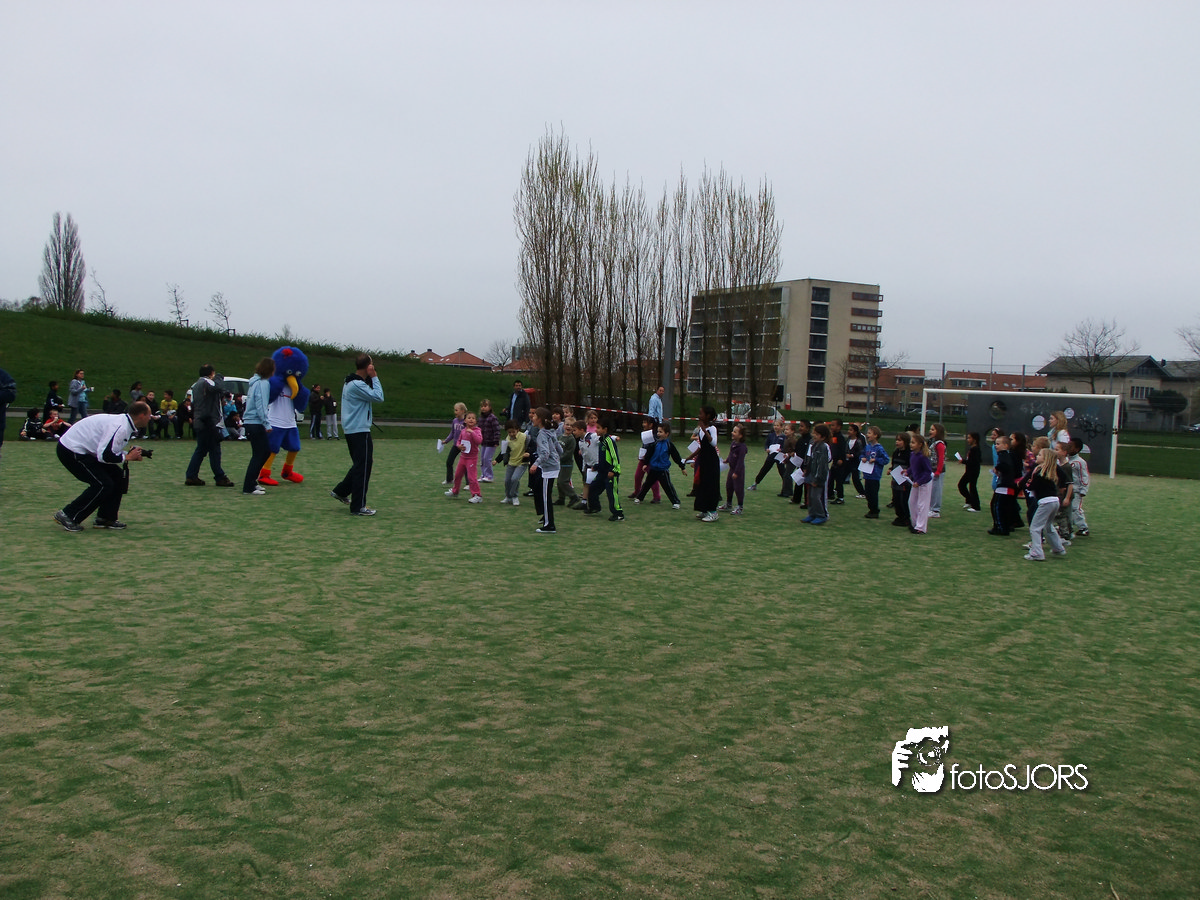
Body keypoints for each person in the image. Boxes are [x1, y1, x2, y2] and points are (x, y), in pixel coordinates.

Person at [53, 400, 152, 532]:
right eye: (149, 415)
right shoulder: (121, 427)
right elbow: (104, 456)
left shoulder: (124, 424)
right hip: (71, 450)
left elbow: (108, 451)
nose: (151, 418)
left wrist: (128, 454)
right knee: (103, 484)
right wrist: (127, 457)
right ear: (141, 415)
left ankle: (106, 518)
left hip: (83, 450)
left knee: (117, 476)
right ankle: (68, 515)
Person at [331, 353, 384, 516]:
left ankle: (341, 491)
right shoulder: (357, 384)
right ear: (368, 366)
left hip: (353, 429)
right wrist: (374, 377)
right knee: (363, 467)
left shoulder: (351, 382)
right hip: (359, 430)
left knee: (360, 464)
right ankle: (358, 506)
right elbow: (379, 396)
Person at [184, 363, 234, 487]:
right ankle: (220, 477)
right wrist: (219, 377)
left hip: (200, 421)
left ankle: (191, 475)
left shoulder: (196, 385)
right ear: (211, 373)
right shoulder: (208, 382)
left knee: (201, 450)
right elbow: (218, 388)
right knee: (215, 450)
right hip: (210, 422)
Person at [1023, 448, 1068, 561]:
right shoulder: (1049, 472)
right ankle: (1058, 548)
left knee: (1035, 528)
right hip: (1055, 501)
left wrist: (1027, 484)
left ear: (1045, 459)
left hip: (1046, 502)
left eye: (1039, 455)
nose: (1037, 456)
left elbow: (1032, 486)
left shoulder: (1039, 472)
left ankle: (1037, 553)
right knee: (1048, 526)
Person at [241, 357, 275, 495]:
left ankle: (252, 482)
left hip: (251, 422)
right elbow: (261, 405)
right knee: (260, 454)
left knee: (264, 452)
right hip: (255, 422)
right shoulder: (263, 383)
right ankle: (248, 487)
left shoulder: (255, 382)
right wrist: (266, 423)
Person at [633, 423, 685, 508]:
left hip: (663, 470)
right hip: (653, 469)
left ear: (667, 434)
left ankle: (675, 502)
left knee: (668, 486)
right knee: (647, 484)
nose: (658, 434)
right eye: (658, 431)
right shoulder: (654, 444)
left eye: (661, 432)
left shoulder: (669, 445)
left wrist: (682, 467)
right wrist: (645, 464)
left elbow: (676, 456)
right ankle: (639, 498)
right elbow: (648, 454)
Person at [529, 406, 562, 532]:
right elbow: (558, 447)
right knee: (541, 491)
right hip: (552, 466)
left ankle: (549, 525)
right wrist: (558, 456)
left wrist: (535, 464)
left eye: (535, 416)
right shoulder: (550, 431)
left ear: (540, 419)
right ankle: (546, 518)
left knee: (546, 497)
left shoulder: (542, 434)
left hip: (549, 468)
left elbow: (545, 453)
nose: (533, 417)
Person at [689, 406, 721, 522]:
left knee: (711, 485)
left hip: (711, 462)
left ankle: (713, 512)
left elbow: (713, 443)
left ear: (708, 416)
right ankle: (704, 509)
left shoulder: (712, 428)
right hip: (703, 460)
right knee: (702, 485)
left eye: (701, 413)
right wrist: (690, 457)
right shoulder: (701, 430)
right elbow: (700, 446)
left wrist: (704, 429)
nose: (699, 416)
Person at [446, 411, 484, 502]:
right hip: (463, 457)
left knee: (471, 477)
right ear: (465, 420)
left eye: (473, 418)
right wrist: (459, 446)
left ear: (476, 421)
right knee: (458, 475)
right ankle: (455, 491)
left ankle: (477, 495)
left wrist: (472, 432)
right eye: (469, 418)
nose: (471, 420)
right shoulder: (463, 431)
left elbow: (479, 441)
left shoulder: (477, 430)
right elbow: (459, 441)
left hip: (472, 458)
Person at [987, 434, 1019, 536]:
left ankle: (1000, 527)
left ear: (1005, 445)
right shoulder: (1007, 455)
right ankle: (1006, 526)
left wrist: (997, 468)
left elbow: (1006, 466)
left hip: (1004, 485)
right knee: (1004, 506)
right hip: (1007, 485)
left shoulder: (1003, 455)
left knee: (997, 506)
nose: (996, 446)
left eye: (998, 444)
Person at [594, 414, 623, 522]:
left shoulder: (609, 441)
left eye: (598, 428)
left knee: (612, 493)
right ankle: (594, 507)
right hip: (603, 472)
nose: (596, 430)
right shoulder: (601, 441)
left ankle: (618, 513)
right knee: (594, 488)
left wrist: (613, 470)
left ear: (605, 429)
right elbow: (603, 458)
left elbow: (614, 457)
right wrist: (597, 466)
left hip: (611, 473)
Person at [802, 424, 831, 525]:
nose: (814, 435)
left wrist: (817, 479)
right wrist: (807, 471)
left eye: (817, 434)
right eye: (814, 433)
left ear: (823, 437)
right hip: (811, 474)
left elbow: (822, 465)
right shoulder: (814, 445)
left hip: (819, 476)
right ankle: (812, 514)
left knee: (817, 496)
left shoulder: (823, 447)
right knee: (810, 496)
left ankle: (821, 515)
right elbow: (811, 460)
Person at [749, 418, 787, 493]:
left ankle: (786, 487)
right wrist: (767, 449)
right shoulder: (771, 435)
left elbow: (785, 447)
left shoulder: (784, 437)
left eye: (778, 425)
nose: (776, 427)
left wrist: (781, 450)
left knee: (782, 471)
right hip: (771, 455)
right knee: (764, 469)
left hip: (779, 456)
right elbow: (766, 444)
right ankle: (755, 483)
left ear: (781, 427)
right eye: (775, 425)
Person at [906, 433, 934, 534]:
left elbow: (928, 472)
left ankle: (921, 528)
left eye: (913, 443)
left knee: (922, 505)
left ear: (920, 445)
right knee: (911, 502)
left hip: (924, 483)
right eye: (911, 442)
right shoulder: (913, 454)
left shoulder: (923, 457)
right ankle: (915, 523)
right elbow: (913, 467)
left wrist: (920, 482)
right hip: (916, 482)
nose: (911, 444)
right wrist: (907, 472)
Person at [860, 425, 890, 519]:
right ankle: (871, 509)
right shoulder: (867, 447)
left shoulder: (879, 448)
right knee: (868, 493)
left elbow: (886, 460)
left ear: (875, 435)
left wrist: (876, 460)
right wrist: (862, 458)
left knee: (873, 494)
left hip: (875, 475)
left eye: (869, 433)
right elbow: (862, 454)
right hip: (867, 474)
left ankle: (875, 511)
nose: (867, 435)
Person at [719, 423, 749, 515]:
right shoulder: (733, 444)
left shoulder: (742, 447)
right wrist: (727, 460)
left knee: (738, 488)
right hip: (731, 469)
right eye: (733, 431)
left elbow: (740, 461)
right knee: (729, 486)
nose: (732, 433)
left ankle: (740, 506)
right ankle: (728, 504)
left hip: (738, 471)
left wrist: (736, 472)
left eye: (735, 432)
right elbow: (731, 454)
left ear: (740, 435)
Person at [631, 417, 661, 503]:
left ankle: (657, 497)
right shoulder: (646, 434)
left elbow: (653, 448)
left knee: (652, 478)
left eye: (645, 423)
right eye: (643, 422)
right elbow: (645, 446)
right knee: (637, 476)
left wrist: (648, 456)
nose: (643, 424)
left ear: (651, 425)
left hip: (651, 460)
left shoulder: (654, 435)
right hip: (643, 459)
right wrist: (641, 455)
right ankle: (637, 491)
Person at [499, 419, 528, 506]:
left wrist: (528, 453)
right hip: (511, 462)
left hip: (521, 463)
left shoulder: (524, 437)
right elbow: (504, 451)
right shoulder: (507, 439)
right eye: (509, 432)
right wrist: (497, 460)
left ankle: (514, 496)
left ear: (518, 430)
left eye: (513, 432)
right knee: (507, 480)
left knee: (515, 479)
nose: (511, 434)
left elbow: (532, 446)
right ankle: (508, 497)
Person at [1066, 437, 1090, 537]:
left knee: (1076, 509)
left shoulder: (1080, 462)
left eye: (1070, 446)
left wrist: (1083, 490)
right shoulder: (1066, 460)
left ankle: (1083, 527)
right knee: (1066, 508)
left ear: (1077, 449)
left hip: (1076, 490)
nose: (1068, 447)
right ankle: (1067, 526)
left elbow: (1084, 476)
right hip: (1067, 490)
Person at [889, 432, 912, 528]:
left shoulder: (909, 454)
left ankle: (906, 518)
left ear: (905, 442)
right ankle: (899, 516)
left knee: (903, 500)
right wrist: (890, 469)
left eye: (899, 440)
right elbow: (893, 464)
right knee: (896, 499)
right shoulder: (896, 452)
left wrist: (907, 472)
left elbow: (911, 467)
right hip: (895, 480)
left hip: (905, 481)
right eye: (896, 440)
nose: (897, 442)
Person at [441, 402, 466, 485]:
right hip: (456, 445)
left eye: (456, 410)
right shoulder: (454, 421)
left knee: (466, 464)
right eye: (454, 410)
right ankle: (449, 479)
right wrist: (446, 441)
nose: (455, 412)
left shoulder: (466, 422)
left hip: (464, 446)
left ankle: (469, 483)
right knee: (449, 462)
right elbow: (452, 433)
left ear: (462, 411)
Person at [957, 432, 982, 512]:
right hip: (969, 471)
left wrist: (963, 461)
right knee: (962, 485)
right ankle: (969, 500)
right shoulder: (973, 449)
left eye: (969, 438)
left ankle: (976, 506)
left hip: (973, 471)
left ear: (974, 440)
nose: (968, 440)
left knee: (972, 487)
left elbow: (974, 462)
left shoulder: (975, 449)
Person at [478, 399, 501, 482]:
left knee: (487, 458)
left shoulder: (493, 418)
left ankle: (489, 475)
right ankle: (483, 474)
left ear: (490, 407)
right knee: (482, 459)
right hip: (483, 442)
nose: (483, 408)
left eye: (485, 406)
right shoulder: (481, 418)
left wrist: (496, 440)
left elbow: (497, 430)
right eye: (482, 406)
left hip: (491, 442)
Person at [928, 423, 947, 517]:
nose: (930, 431)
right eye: (930, 429)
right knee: (932, 489)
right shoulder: (933, 442)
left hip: (937, 470)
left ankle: (935, 510)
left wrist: (938, 471)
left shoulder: (939, 444)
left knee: (936, 490)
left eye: (933, 429)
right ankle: (931, 508)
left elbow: (941, 458)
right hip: (932, 469)